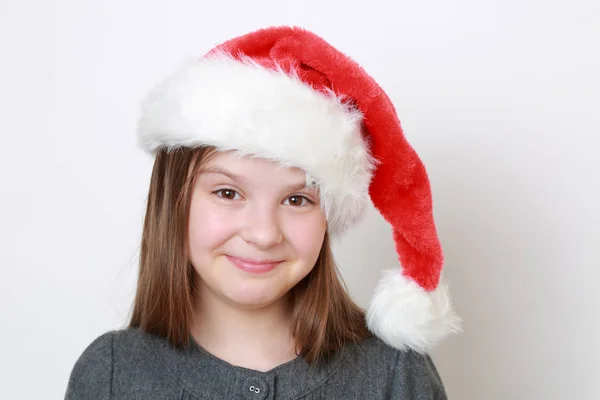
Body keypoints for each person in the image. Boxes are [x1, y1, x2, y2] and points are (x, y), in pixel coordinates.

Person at [64, 26, 461, 400]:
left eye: (296, 200)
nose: (263, 234)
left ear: (328, 217)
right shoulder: (110, 375)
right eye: (227, 192)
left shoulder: (394, 373)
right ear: (175, 201)